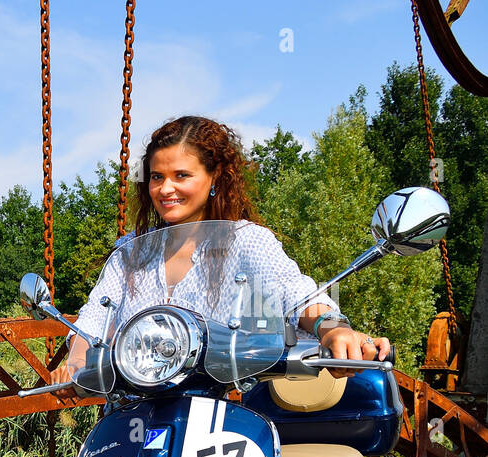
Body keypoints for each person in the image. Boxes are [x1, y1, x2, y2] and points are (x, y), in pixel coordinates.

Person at [70, 115, 387, 378]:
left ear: (215, 179)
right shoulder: (130, 253)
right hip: (133, 412)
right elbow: (92, 323)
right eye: (156, 177)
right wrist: (75, 366)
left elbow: (297, 295)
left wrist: (332, 330)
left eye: (181, 175)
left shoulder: (246, 240)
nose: (165, 189)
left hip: (221, 411)